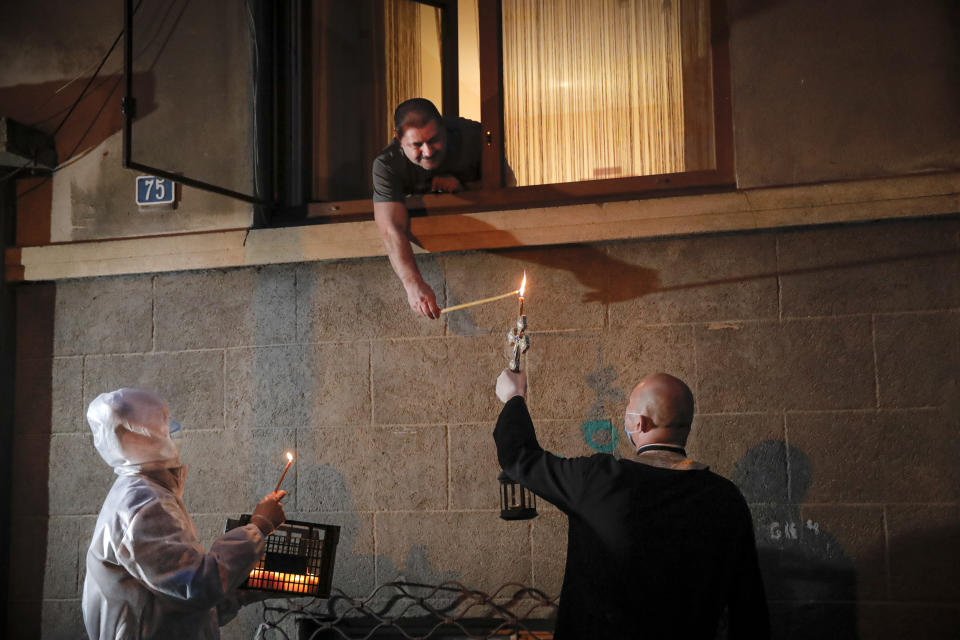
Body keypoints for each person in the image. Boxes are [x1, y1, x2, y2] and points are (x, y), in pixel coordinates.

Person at [493, 370, 770, 639]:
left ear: (640, 424)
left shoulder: (599, 481)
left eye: (628, 408)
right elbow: (748, 607)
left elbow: (520, 457)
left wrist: (514, 397)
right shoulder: (725, 498)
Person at [82, 388, 288, 640]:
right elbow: (196, 586)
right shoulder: (142, 505)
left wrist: (245, 592)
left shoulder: (149, 493)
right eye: (163, 422)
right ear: (139, 436)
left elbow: (181, 606)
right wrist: (258, 527)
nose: (173, 429)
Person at [372, 98, 482, 319]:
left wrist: (465, 189)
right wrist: (413, 285)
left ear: (445, 128)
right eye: (417, 145)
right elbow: (391, 228)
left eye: (435, 140)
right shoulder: (386, 164)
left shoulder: (473, 135)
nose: (429, 151)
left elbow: (507, 185)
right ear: (399, 140)